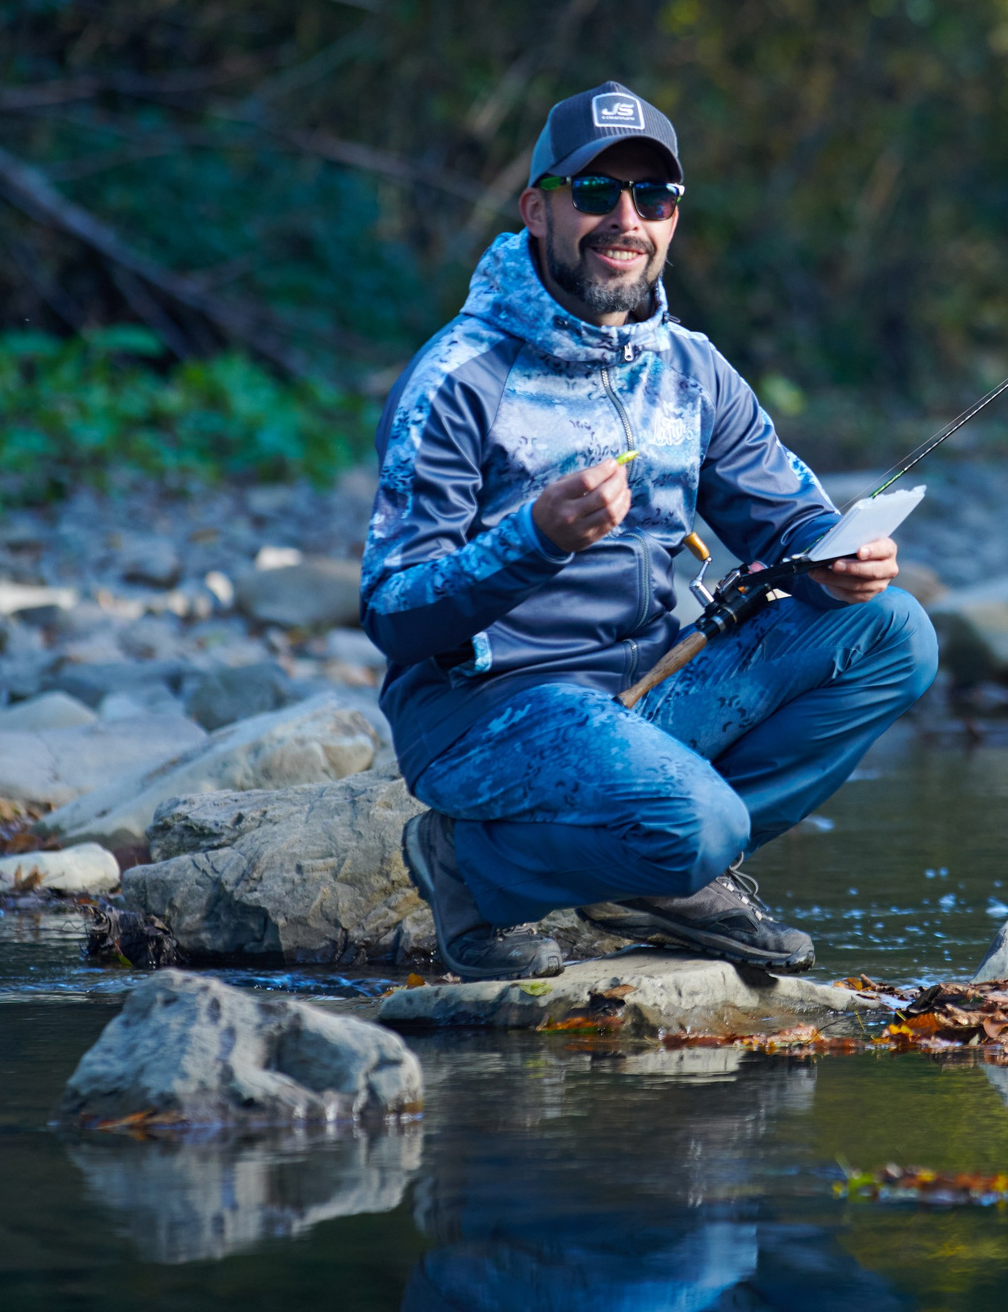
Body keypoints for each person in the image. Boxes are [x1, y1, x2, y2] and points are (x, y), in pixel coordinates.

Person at [360, 79, 938, 981]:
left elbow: (787, 517)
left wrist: (841, 556)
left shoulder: (693, 369)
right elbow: (394, 610)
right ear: (537, 210)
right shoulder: (458, 378)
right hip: (487, 712)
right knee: (698, 824)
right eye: (595, 193)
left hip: (648, 691)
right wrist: (535, 539)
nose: (626, 218)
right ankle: (471, 866)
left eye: (653, 197)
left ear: (673, 217)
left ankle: (665, 875)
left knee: (894, 630)